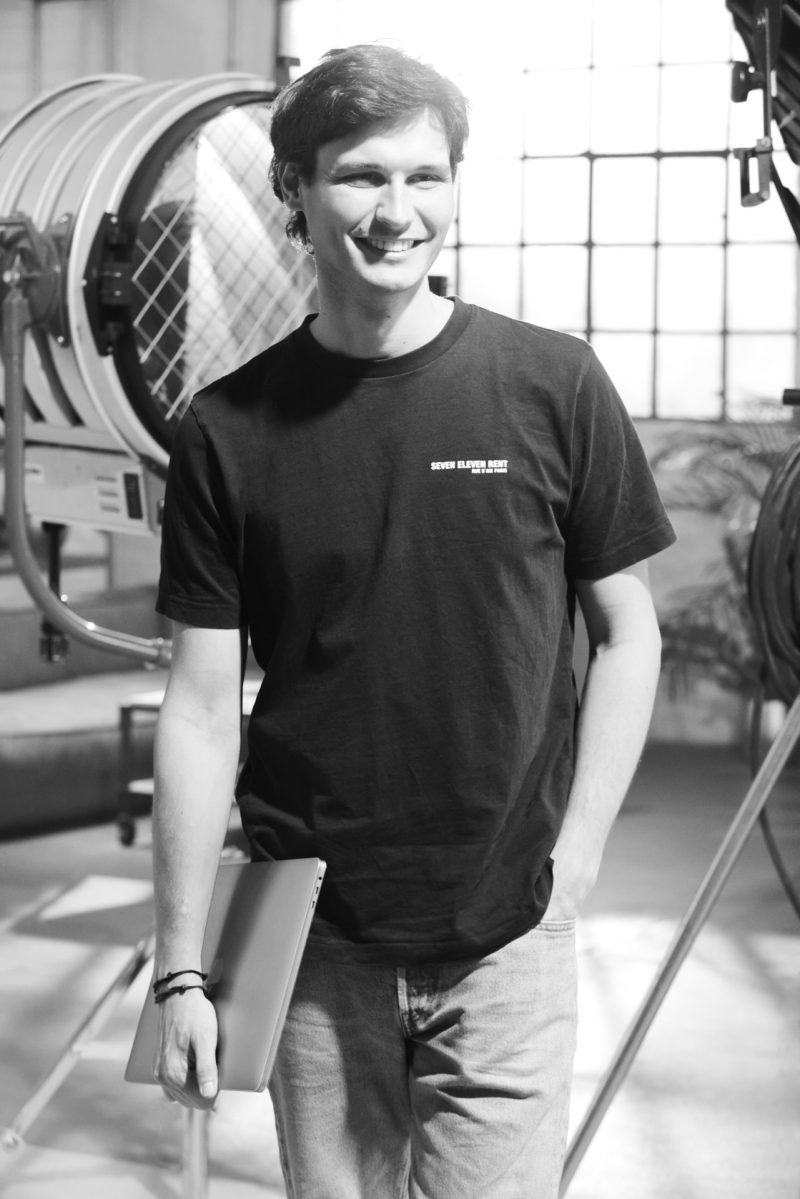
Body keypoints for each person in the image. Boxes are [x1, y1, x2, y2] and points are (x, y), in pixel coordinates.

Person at [151, 42, 676, 1199]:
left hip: (506, 928)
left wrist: (577, 853)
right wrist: (181, 968)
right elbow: (199, 707)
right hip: (309, 931)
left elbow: (627, 632)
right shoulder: (225, 431)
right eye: (360, 176)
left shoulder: (550, 385)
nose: (398, 212)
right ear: (294, 190)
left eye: (424, 176)